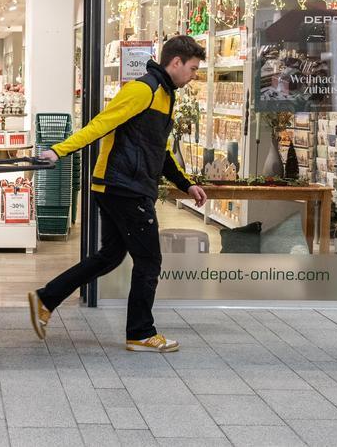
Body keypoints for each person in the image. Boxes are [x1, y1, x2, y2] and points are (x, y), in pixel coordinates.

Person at [28, 35, 208, 352]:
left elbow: (159, 150)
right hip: (125, 188)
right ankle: (140, 333)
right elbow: (100, 124)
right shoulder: (143, 90)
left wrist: (186, 183)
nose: (193, 76)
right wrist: (59, 151)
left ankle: (47, 297)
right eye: (192, 68)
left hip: (120, 187)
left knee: (110, 256)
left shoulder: (165, 96)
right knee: (149, 261)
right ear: (176, 62)